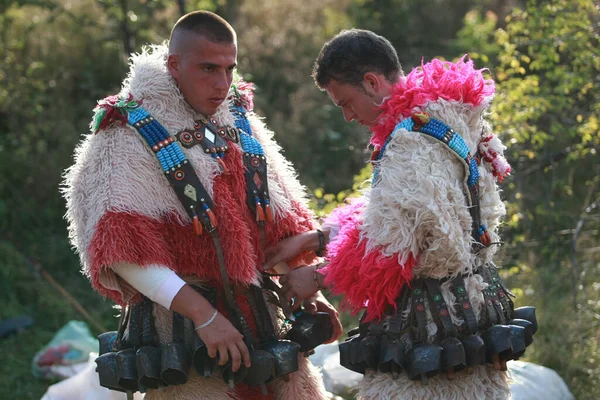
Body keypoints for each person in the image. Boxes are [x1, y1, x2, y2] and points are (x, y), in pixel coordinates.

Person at [63, 10, 341, 400]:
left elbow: (278, 230)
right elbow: (123, 251)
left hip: (263, 325)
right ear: (174, 65)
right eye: (208, 69)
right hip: (182, 337)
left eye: (229, 69)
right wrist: (204, 316)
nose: (222, 84)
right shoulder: (124, 132)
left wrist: (309, 289)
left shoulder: (240, 119)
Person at [264, 29, 537, 400]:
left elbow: (409, 240)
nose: (346, 116)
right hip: (473, 309)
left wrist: (318, 275)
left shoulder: (409, 142)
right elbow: (401, 210)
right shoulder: (447, 117)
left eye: (345, 102)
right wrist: (320, 238)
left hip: (430, 326)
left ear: (372, 83)